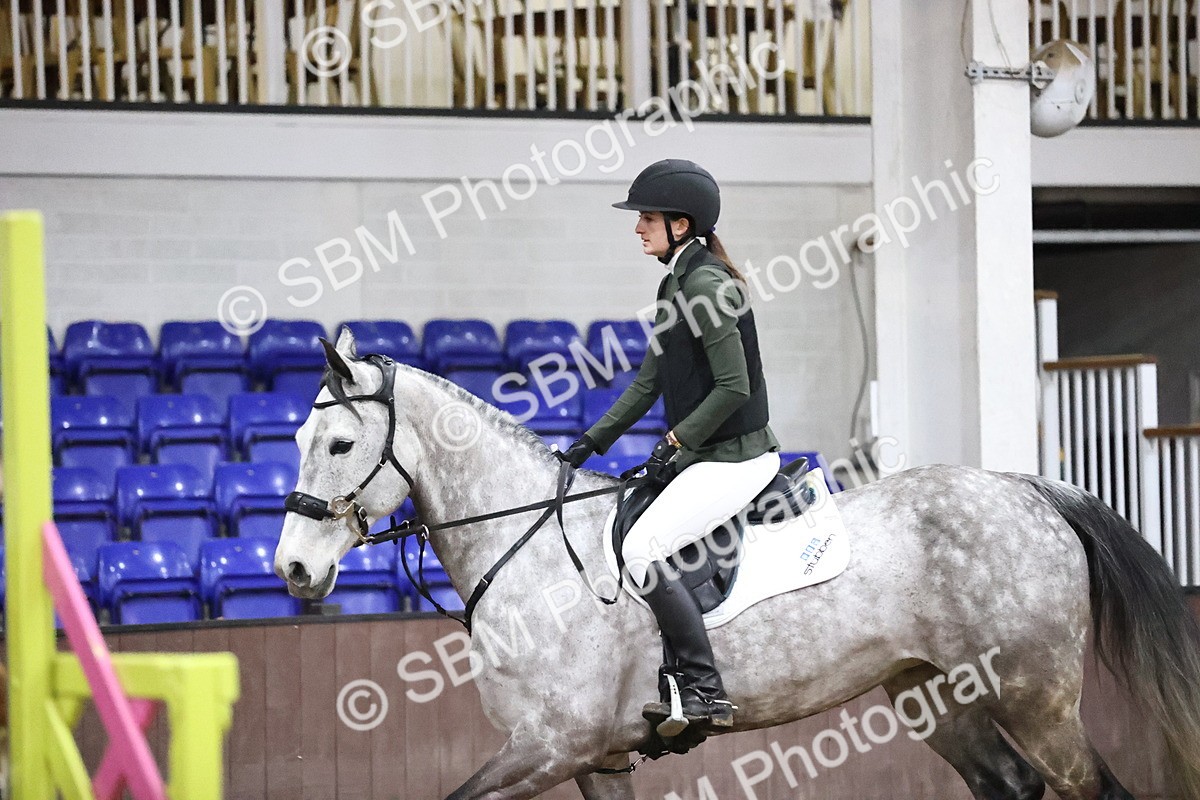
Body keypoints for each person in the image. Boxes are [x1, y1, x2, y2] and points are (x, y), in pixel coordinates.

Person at [556, 159, 781, 736]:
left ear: (681, 225)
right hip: (705, 455)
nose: (637, 228)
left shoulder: (707, 284)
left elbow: (734, 388)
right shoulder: (674, 283)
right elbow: (647, 382)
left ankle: (704, 689)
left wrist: (677, 440)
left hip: (738, 458)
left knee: (644, 548)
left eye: (646, 218)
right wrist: (587, 445)